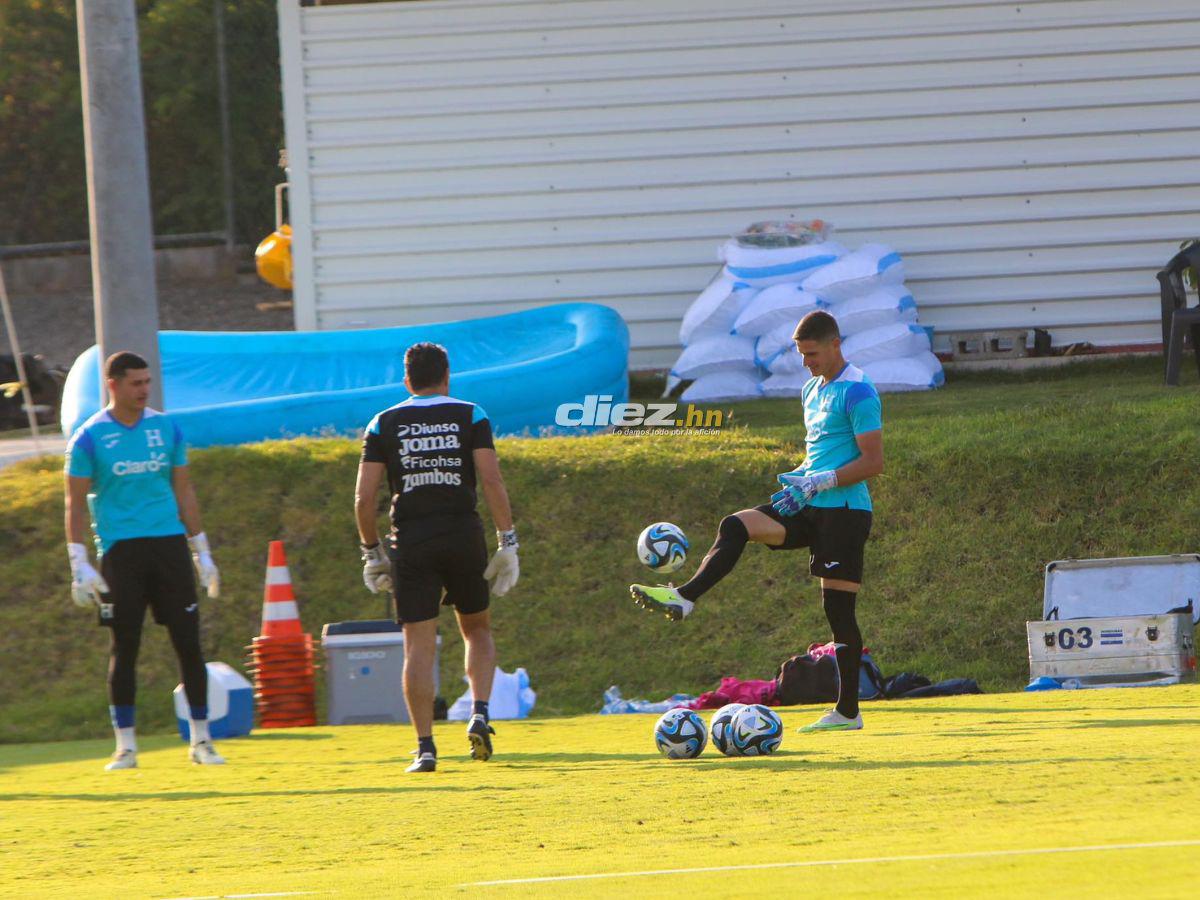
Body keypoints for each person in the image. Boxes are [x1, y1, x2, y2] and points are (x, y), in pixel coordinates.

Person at [630, 310, 883, 733]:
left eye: (813, 353)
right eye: (802, 355)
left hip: (844, 513)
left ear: (836, 344)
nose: (807, 362)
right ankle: (685, 597)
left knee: (838, 610)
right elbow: (821, 451)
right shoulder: (810, 389)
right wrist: (802, 477)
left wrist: (821, 481)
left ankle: (848, 713)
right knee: (736, 525)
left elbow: (872, 462)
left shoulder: (859, 392)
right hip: (808, 502)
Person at [354, 342, 518, 773]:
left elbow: (364, 496)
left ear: (407, 381)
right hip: (463, 533)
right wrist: (509, 542)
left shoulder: (382, 422)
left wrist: (372, 553)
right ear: (448, 376)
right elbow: (491, 479)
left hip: (411, 540)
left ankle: (425, 747)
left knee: (418, 646)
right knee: (477, 629)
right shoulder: (471, 414)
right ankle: (480, 712)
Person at [64, 352, 224, 770]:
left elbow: (184, 491)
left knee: (189, 643)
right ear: (113, 384)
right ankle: (126, 746)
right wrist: (78, 561)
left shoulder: (166, 428)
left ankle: (202, 740)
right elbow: (75, 504)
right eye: (136, 382)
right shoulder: (89, 437)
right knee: (125, 646)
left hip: (168, 546)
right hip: (121, 552)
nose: (144, 390)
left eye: (147, 382)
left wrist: (201, 549)